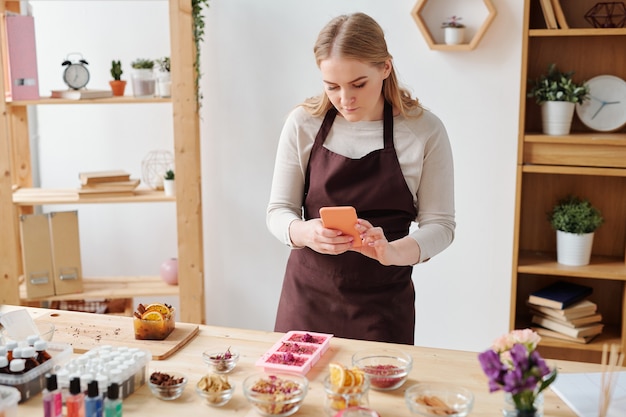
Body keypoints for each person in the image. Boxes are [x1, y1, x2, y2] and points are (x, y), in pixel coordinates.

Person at [266, 12, 455, 345]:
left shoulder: (424, 131)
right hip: (307, 301)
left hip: (382, 308)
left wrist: (393, 252)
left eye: (358, 84)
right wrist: (305, 231)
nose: (344, 99)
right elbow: (278, 211)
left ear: (385, 67)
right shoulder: (303, 124)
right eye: (332, 86)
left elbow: (441, 225)